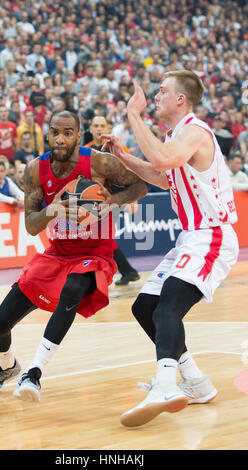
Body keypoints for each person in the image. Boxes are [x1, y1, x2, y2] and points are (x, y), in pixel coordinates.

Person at [0, 110, 147, 403]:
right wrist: (52, 209)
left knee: (72, 290)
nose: (60, 138)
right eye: (55, 132)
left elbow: (140, 185)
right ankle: (7, 367)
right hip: (57, 254)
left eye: (68, 133)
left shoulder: (99, 162)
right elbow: (31, 226)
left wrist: (115, 200)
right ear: (48, 133)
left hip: (96, 254)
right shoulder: (35, 169)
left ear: (78, 136)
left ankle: (34, 373)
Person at [102, 71, 239, 427]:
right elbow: (164, 176)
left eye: (162, 91)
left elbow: (163, 161)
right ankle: (195, 382)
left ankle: (165, 385)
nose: (156, 96)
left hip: (211, 234)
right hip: (191, 238)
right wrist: (125, 157)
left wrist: (133, 114)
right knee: (145, 306)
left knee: (167, 310)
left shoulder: (195, 131)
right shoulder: (175, 136)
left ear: (181, 99)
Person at [85, 115, 141, 286]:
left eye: (102, 125)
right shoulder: (85, 150)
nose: (99, 128)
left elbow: (133, 170)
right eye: (96, 125)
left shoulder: (116, 146)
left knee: (100, 237)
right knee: (100, 239)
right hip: (94, 200)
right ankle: (128, 272)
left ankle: (99, 277)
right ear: (90, 128)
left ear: (107, 128)